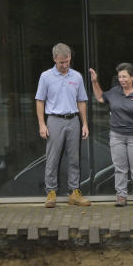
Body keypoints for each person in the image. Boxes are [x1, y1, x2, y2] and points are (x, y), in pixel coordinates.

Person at [89, 63, 133, 206]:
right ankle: (121, 196)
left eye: (124, 76)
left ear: (132, 77)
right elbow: (100, 98)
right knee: (120, 168)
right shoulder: (114, 92)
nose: (121, 79)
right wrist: (95, 81)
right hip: (117, 136)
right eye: (119, 77)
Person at [35, 43, 90, 208]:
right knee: (52, 157)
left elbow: (81, 101)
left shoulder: (77, 77)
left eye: (67, 62)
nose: (65, 65)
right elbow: (40, 101)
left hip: (73, 120)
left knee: (74, 158)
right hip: (54, 119)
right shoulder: (46, 76)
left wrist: (85, 124)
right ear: (54, 59)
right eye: (61, 63)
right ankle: (51, 192)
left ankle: (74, 192)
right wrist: (42, 124)